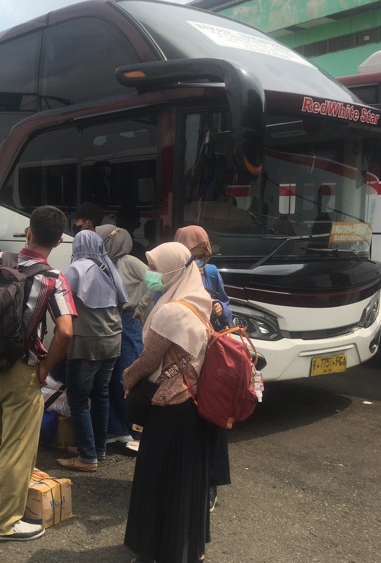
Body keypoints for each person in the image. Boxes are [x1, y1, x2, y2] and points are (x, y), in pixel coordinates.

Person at [0, 205, 76, 542]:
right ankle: (2, 523)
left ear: (28, 232)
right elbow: (66, 331)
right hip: (22, 370)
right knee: (17, 447)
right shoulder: (53, 278)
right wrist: (45, 368)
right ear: (56, 241)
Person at [122, 242, 212, 563]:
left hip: (169, 408)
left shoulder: (172, 311)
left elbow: (148, 362)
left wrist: (127, 379)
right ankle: (184, 548)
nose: (151, 275)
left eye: (156, 269)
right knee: (186, 482)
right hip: (193, 406)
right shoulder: (199, 301)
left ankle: (157, 550)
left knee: (158, 479)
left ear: (174, 270)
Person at [56, 230, 127, 472]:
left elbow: (62, 304)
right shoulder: (108, 266)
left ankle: (87, 457)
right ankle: (98, 449)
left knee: (78, 398)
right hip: (113, 340)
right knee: (100, 395)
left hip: (87, 342)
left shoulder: (76, 269)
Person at [174, 225, 233, 512]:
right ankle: (187, 480)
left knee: (214, 418)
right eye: (194, 255)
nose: (200, 260)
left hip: (211, 357)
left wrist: (221, 308)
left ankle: (212, 483)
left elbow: (226, 302)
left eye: (203, 255)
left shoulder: (210, 273)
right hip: (181, 360)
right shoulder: (169, 272)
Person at [96, 224, 152, 452]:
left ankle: (134, 431)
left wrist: (141, 306)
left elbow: (159, 282)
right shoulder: (104, 262)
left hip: (127, 321)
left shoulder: (129, 261)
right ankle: (118, 430)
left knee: (128, 377)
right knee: (110, 378)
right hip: (110, 320)